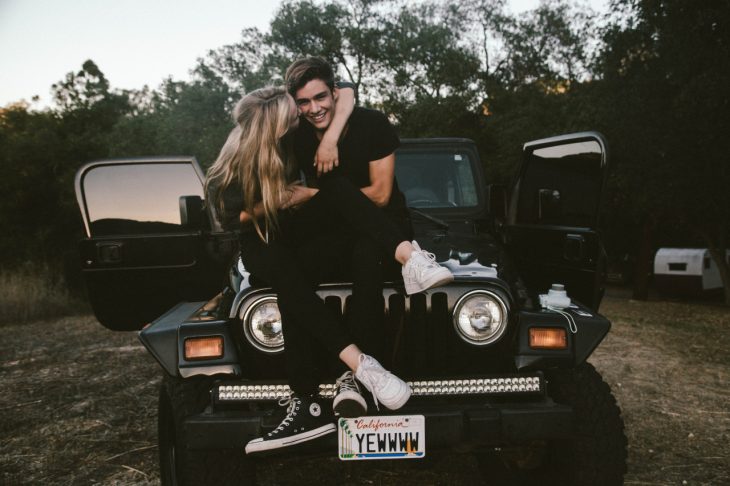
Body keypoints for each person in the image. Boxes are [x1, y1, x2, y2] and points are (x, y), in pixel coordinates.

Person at [205, 86, 453, 454]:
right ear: (272, 125)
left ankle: (409, 256)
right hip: (260, 241)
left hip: (294, 230)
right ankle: (348, 374)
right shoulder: (234, 165)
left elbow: (346, 95)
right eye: (293, 115)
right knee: (288, 278)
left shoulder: (294, 140)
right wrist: (276, 199)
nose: (301, 118)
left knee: (335, 188)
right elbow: (229, 218)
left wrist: (330, 140)